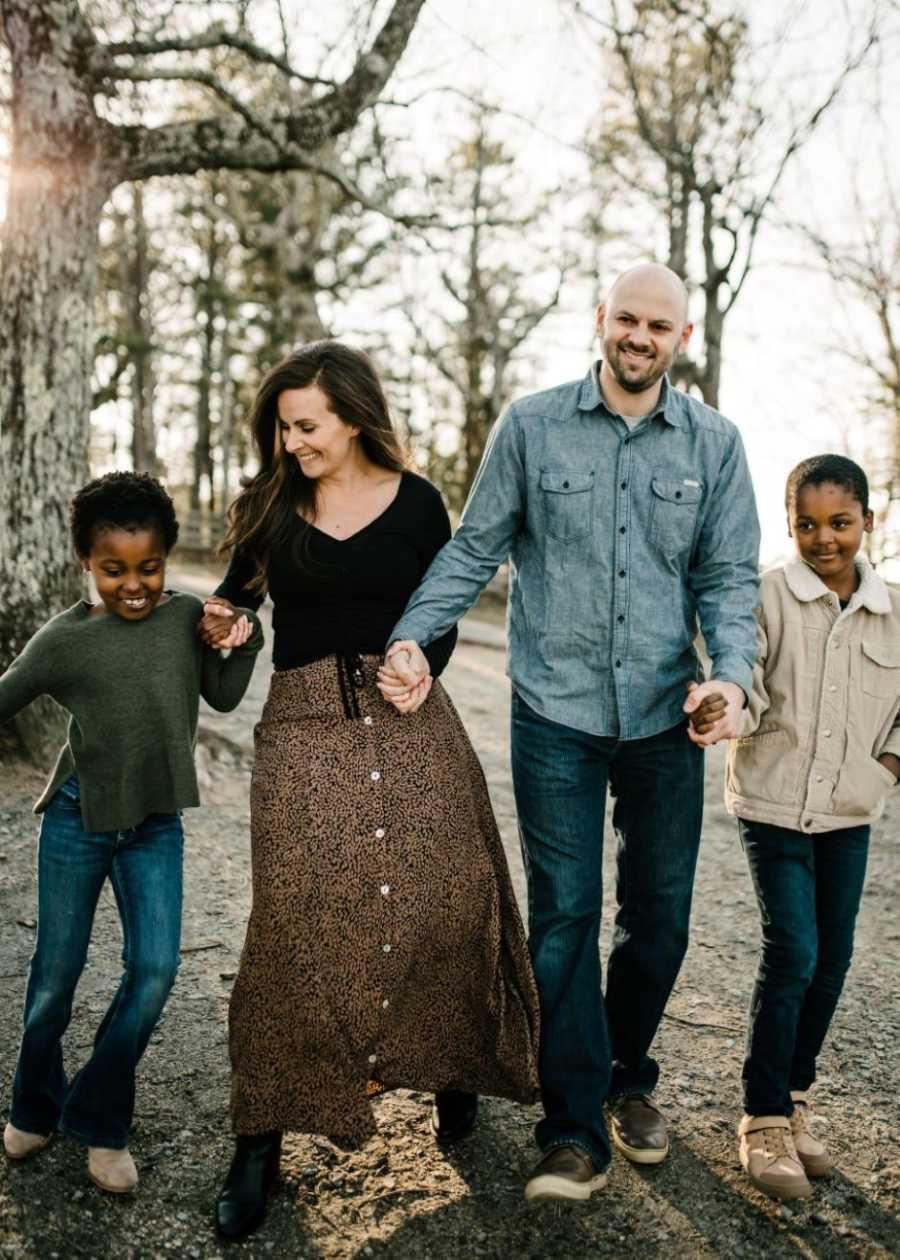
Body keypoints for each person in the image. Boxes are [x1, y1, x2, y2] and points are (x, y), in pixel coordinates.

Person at [381, 262, 761, 1202]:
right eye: (626, 319)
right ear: (601, 320)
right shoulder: (532, 423)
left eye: (658, 326)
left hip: (670, 715)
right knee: (564, 917)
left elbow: (729, 580)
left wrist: (732, 680)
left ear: (681, 339)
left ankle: (626, 1074)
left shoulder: (715, 444)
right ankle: (573, 1127)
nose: (639, 337)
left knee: (660, 923)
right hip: (554, 708)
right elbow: (474, 546)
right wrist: (413, 639)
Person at [205, 341, 540, 1242]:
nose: (293, 441)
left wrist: (420, 662)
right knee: (292, 918)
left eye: (307, 424)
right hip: (306, 722)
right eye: (282, 425)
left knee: (447, 892)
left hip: (409, 713)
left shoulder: (422, 501)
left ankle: (455, 1064)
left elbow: (448, 598)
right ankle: (259, 1138)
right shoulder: (273, 499)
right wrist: (227, 620)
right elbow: (239, 594)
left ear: (354, 415)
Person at [0, 472, 263, 1194]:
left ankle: (100, 1117)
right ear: (86, 560)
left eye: (149, 566)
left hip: (153, 826)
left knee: (154, 971)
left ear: (168, 555)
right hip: (77, 821)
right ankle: (33, 1104)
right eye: (114, 569)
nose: (136, 583)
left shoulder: (185, 619)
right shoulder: (66, 640)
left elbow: (224, 692)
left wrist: (241, 635)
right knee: (54, 980)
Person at [725, 454, 900, 1201]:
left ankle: (795, 1100)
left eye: (840, 523)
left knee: (833, 958)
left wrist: (885, 769)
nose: (823, 539)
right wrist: (723, 707)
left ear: (868, 520)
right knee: (793, 948)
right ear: (788, 523)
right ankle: (761, 1115)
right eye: (806, 524)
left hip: (848, 809)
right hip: (774, 804)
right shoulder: (767, 595)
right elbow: (746, 681)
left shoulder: (893, 612)